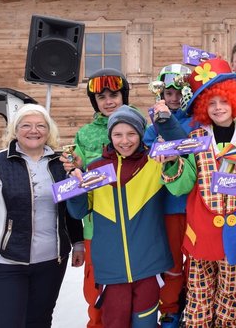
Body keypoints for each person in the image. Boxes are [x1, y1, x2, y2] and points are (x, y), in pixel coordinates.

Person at [161, 58, 236, 327]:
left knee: (232, 296)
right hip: (202, 230)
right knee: (198, 296)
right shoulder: (195, 139)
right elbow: (182, 185)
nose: (218, 108)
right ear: (203, 107)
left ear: (234, 102)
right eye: (211, 103)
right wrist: (170, 161)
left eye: (223, 101)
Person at [67, 105, 173, 328]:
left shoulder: (154, 163)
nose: (125, 141)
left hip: (149, 267)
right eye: (117, 134)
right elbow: (78, 211)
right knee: (115, 323)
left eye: (131, 133)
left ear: (141, 134)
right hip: (111, 270)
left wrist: (171, 159)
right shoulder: (96, 168)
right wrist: (75, 188)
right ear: (110, 136)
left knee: (145, 324)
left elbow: (180, 184)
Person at [0, 104, 84, 328]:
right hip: (5, 261)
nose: (33, 130)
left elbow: (69, 209)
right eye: (26, 125)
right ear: (15, 130)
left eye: (40, 125)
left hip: (50, 262)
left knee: (38, 322)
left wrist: (77, 243)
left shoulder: (61, 163)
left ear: (49, 131)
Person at [60, 68, 130, 328]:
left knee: (132, 292)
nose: (109, 101)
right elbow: (74, 172)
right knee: (97, 292)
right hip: (96, 224)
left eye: (114, 94)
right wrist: (73, 166)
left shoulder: (139, 125)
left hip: (134, 223)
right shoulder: (85, 134)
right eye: (102, 97)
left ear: (124, 96)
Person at [142, 63, 193, 327]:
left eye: (178, 92)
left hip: (196, 205)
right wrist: (158, 148)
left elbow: (196, 146)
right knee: (173, 262)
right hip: (170, 206)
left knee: (196, 260)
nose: (173, 98)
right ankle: (170, 308)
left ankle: (194, 304)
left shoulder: (196, 119)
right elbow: (147, 150)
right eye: (168, 93)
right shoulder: (154, 124)